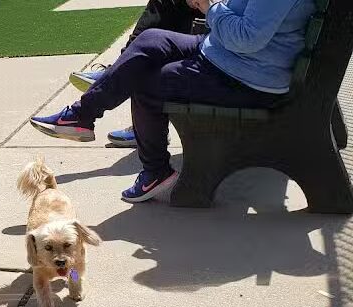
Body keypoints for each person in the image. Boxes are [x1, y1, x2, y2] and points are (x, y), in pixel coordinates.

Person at [29, 0, 315, 203]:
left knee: (146, 82)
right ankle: (81, 116)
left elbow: (247, 37)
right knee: (153, 39)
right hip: (228, 56)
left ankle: (155, 171)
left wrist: (209, 7)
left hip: (245, 78)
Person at [69, 0, 204, 148]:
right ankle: (118, 71)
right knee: (147, 54)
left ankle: (116, 74)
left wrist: (210, 6)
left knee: (145, 61)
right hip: (220, 48)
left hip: (224, 63)